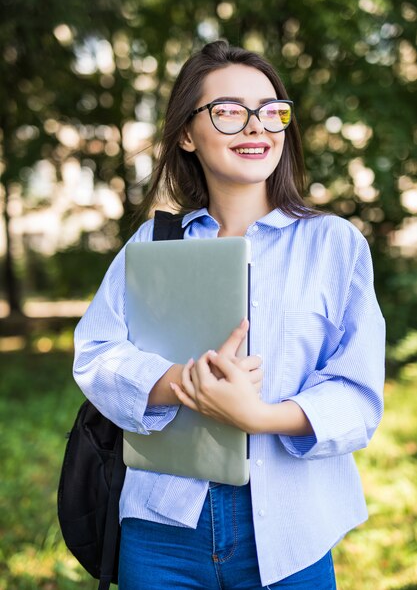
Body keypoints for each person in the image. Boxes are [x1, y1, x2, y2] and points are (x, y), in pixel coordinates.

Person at [73, 40, 385, 589]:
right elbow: (95, 354)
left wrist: (258, 415)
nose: (256, 127)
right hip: (162, 529)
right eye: (229, 111)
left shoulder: (334, 245)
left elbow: (358, 393)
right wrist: (179, 383)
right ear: (188, 134)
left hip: (291, 535)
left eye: (271, 111)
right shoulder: (154, 242)